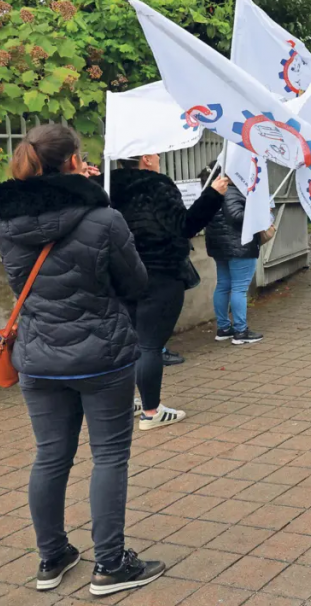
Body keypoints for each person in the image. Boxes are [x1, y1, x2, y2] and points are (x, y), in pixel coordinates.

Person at [0, 125, 165, 596]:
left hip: (37, 357)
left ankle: (52, 556)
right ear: (74, 162)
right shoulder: (103, 217)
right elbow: (136, 282)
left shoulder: (2, 221)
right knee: (110, 455)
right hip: (101, 356)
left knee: (51, 456)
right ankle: (111, 564)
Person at [107, 156, 228, 429]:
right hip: (160, 272)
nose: (160, 158)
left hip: (121, 273)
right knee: (149, 345)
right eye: (158, 154)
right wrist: (213, 195)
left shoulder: (106, 186)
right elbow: (184, 225)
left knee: (129, 342)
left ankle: (128, 401)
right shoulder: (158, 185)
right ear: (147, 159)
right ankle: (151, 411)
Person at [201, 165, 264, 345]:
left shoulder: (208, 191)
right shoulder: (232, 190)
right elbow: (236, 216)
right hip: (239, 246)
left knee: (223, 285)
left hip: (219, 246)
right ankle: (240, 331)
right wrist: (257, 213)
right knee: (239, 288)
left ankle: (224, 328)